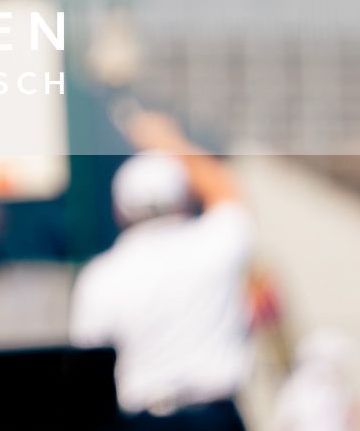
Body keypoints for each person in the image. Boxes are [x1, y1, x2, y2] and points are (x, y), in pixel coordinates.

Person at [70, 111, 254, 430]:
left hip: (145, 419)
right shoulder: (213, 245)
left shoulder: (102, 275)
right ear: (184, 196)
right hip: (215, 417)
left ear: (120, 211)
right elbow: (224, 189)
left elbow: (89, 354)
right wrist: (168, 141)